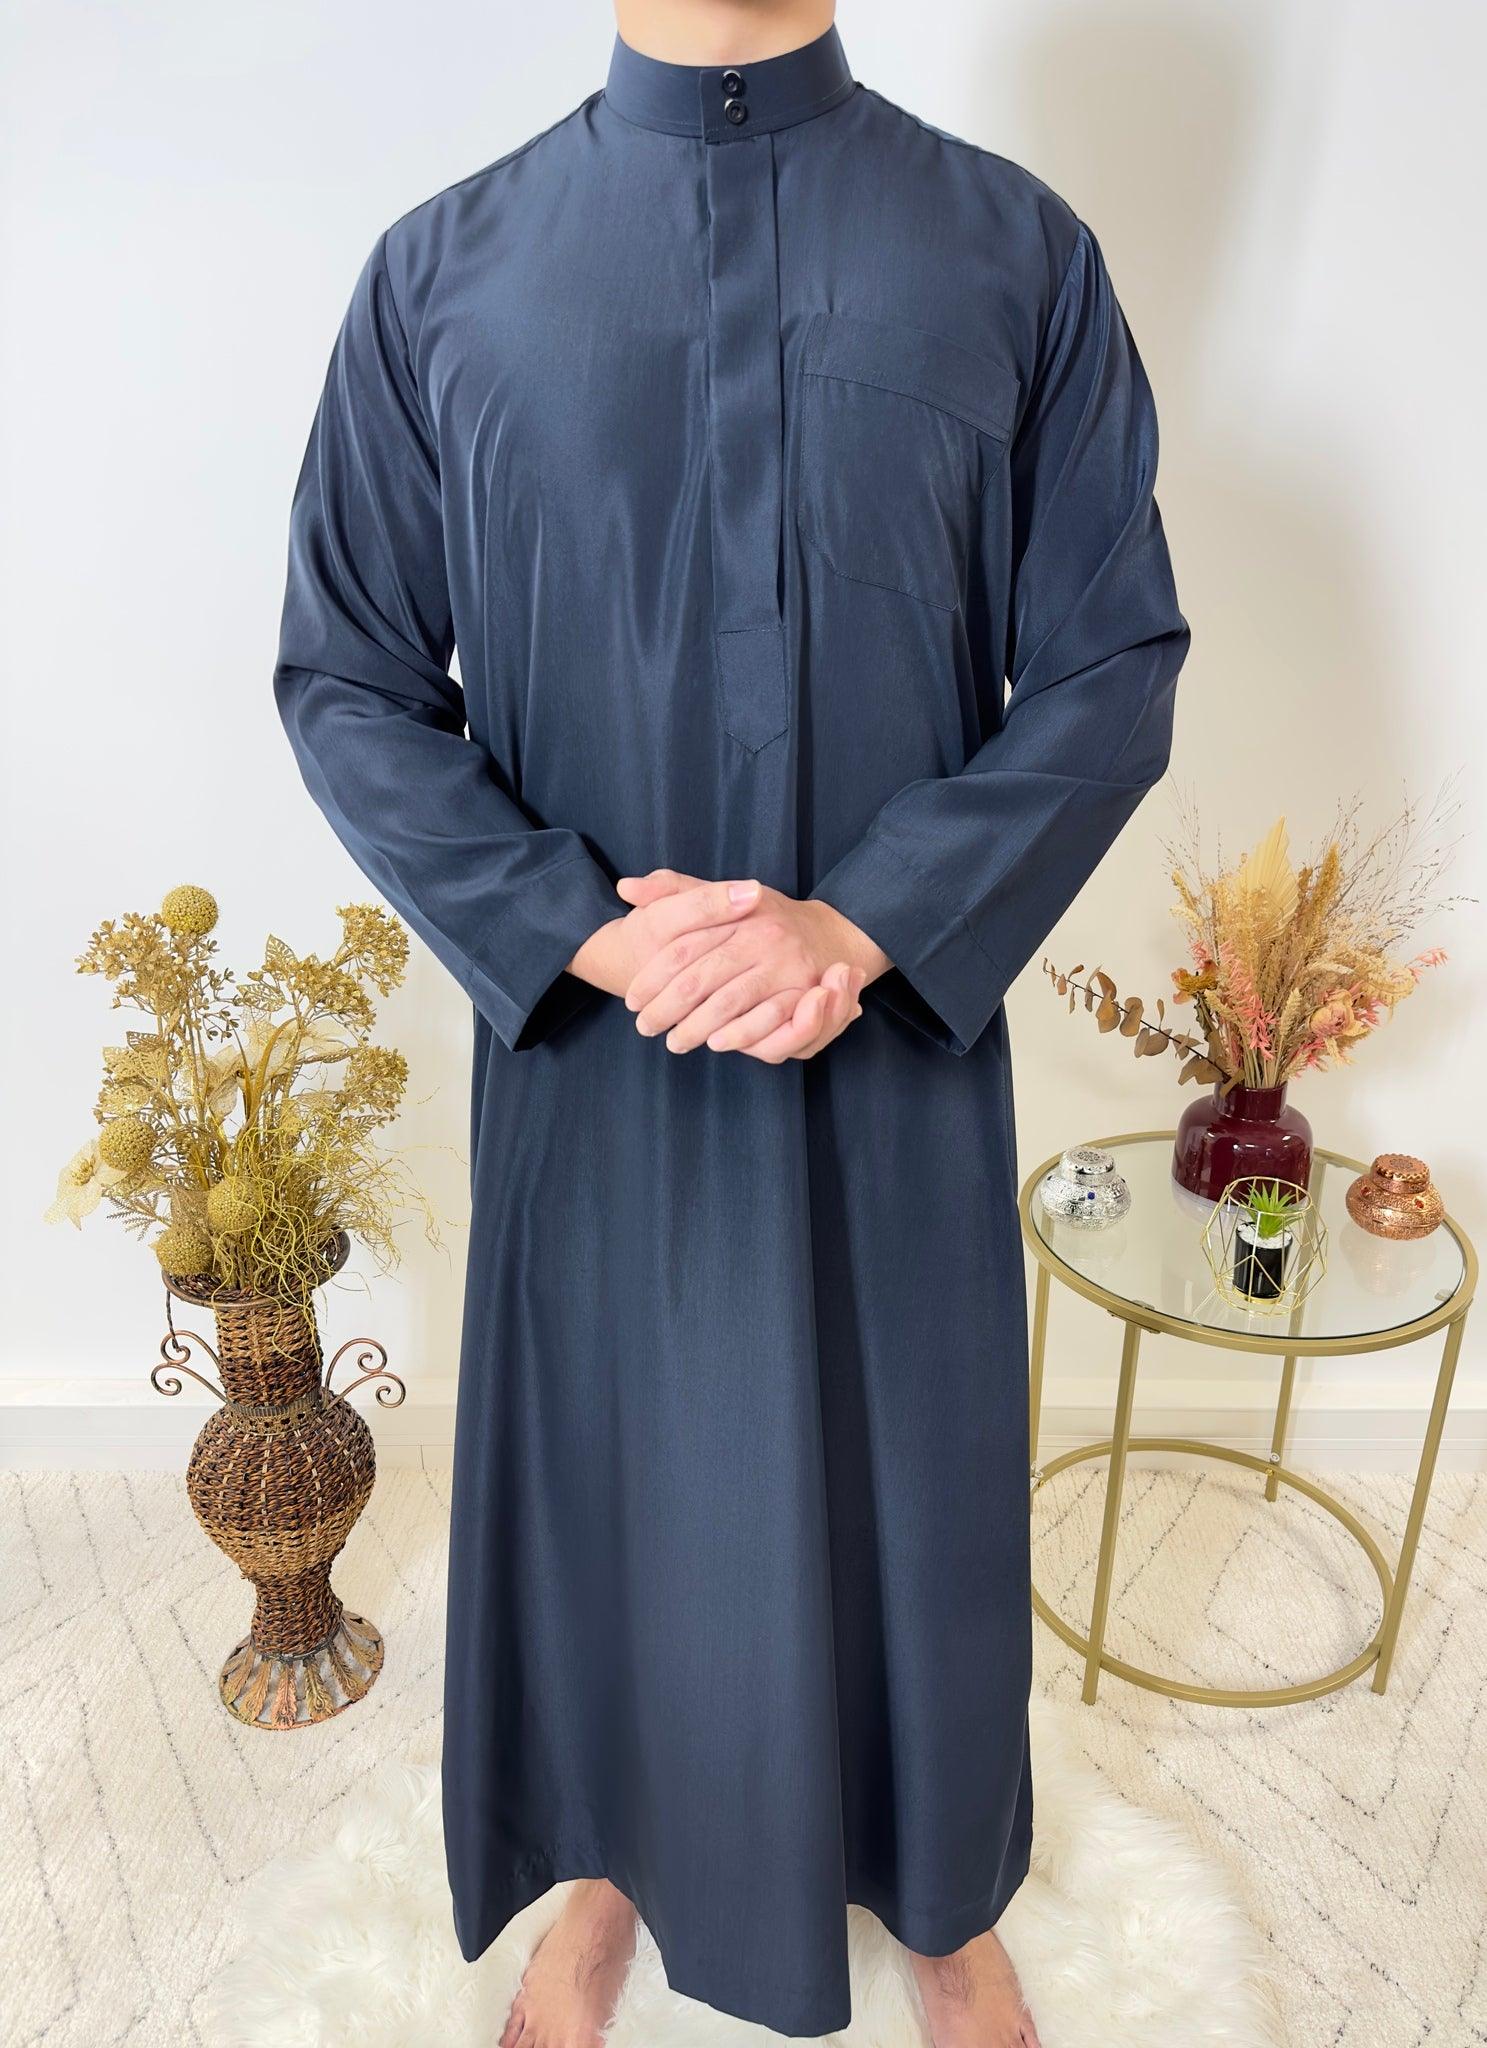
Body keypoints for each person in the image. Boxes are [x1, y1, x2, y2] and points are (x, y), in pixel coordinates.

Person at [273, 2, 1189, 2041]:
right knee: (609, 1472)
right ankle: (608, 1860)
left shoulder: (1015, 251)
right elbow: (346, 675)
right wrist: (594, 942)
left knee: (912, 1474)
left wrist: (860, 923)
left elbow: (1111, 659)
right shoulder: (441, 274)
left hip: (891, 1049)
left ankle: (939, 1887)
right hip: (600, 1064)